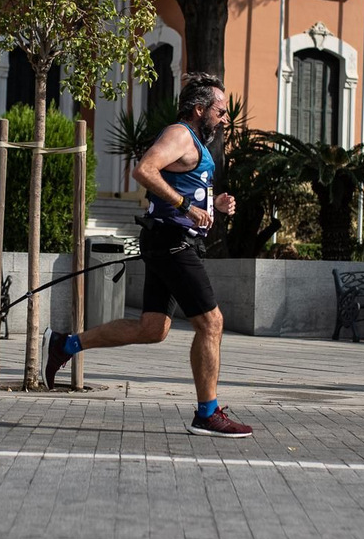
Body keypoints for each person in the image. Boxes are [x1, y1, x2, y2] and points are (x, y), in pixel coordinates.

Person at [43, 73, 250, 437]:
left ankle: (65, 343)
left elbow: (184, 185)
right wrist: (185, 205)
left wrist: (213, 203)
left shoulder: (195, 143)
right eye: (219, 111)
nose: (223, 118)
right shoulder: (180, 134)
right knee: (212, 322)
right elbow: (144, 170)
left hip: (170, 241)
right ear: (199, 109)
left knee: (152, 329)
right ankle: (207, 413)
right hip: (172, 242)